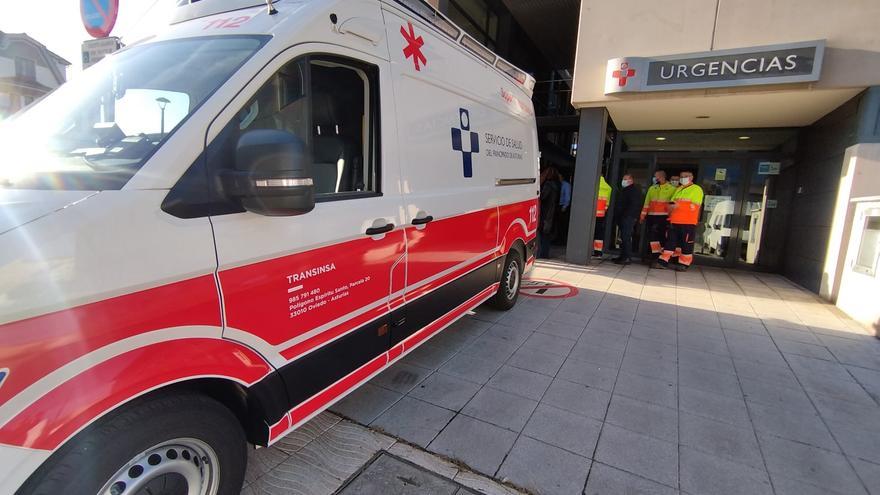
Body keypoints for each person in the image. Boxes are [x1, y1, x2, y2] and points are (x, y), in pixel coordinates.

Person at [658, 170, 704, 271]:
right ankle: (663, 261)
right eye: (682, 176)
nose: (683, 178)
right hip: (674, 221)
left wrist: (678, 205)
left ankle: (684, 264)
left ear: (691, 178)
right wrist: (669, 208)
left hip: (688, 222)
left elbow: (694, 206)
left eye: (686, 176)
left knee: (686, 244)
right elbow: (672, 203)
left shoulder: (696, 189)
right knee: (670, 242)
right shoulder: (678, 189)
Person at [641, 170, 677, 267]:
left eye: (656, 176)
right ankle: (655, 256)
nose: (655, 178)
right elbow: (646, 203)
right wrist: (642, 216)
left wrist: (671, 218)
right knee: (653, 238)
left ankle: (662, 258)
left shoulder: (672, 189)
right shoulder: (652, 188)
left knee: (662, 238)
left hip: (664, 217)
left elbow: (673, 205)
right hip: (652, 216)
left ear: (662, 177)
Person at [613, 174, 642, 265]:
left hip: (628, 218)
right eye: (623, 179)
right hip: (624, 217)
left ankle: (627, 257)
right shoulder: (626, 190)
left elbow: (634, 205)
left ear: (631, 180)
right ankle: (623, 256)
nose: (623, 181)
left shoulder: (633, 191)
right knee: (623, 237)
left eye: (625, 179)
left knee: (626, 237)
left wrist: (626, 216)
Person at [538, 167, 560, 258]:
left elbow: (543, 197)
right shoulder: (557, 185)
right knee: (547, 235)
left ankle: (541, 254)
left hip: (545, 212)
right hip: (552, 212)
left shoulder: (548, 185)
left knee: (542, 234)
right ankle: (545, 254)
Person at [594, 175, 612, 257]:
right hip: (601, 214)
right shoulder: (608, 187)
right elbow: (607, 204)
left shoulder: (593, 184)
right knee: (599, 233)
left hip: (592, 214)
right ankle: (598, 252)